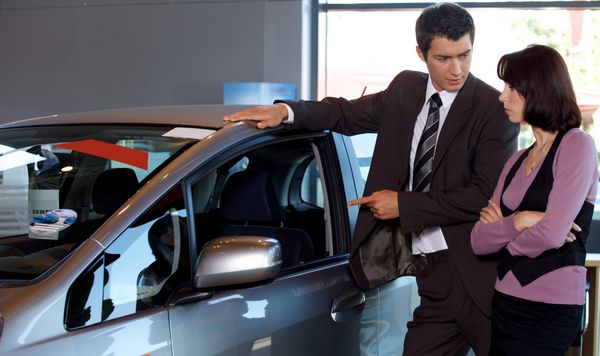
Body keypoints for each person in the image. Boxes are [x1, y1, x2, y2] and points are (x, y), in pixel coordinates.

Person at [225, 3, 519, 354]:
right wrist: (286, 112)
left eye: (465, 55)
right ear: (420, 53)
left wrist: (402, 205)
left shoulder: (492, 109)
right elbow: (345, 114)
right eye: (444, 58)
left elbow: (482, 193)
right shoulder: (405, 90)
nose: (457, 69)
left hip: (477, 275)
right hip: (431, 277)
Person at [470, 44, 598, 355]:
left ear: (538, 90)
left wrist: (506, 239)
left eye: (512, 87)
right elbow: (478, 240)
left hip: (550, 309)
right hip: (505, 302)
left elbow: (553, 233)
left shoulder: (576, 146)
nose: (502, 95)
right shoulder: (515, 160)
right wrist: (521, 220)